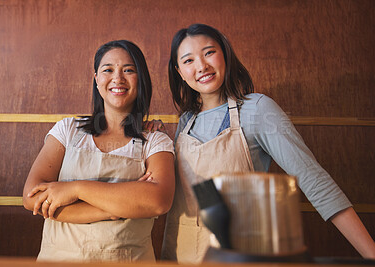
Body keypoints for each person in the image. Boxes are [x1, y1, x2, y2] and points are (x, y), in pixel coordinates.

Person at [158, 23, 375, 263]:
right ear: (179, 72)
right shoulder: (186, 121)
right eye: (188, 61)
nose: (201, 66)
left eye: (209, 52)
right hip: (180, 255)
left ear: (225, 55)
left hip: (241, 255)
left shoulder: (257, 109)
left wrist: (371, 254)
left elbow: (314, 181)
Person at [22, 40, 175, 262]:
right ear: (96, 79)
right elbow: (33, 197)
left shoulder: (155, 140)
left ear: (140, 79)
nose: (118, 78)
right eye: (108, 70)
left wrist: (74, 190)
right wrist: (116, 209)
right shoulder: (67, 129)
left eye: (129, 70)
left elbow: (158, 201)